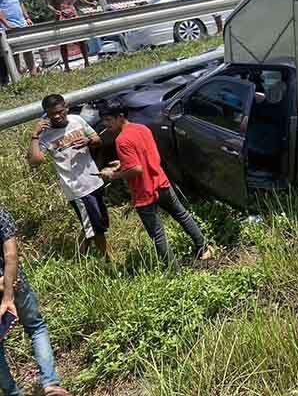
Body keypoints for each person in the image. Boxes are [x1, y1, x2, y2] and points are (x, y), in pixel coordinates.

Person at [98, 101, 212, 268]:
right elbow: (146, 156)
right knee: (182, 215)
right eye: (104, 120)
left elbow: (136, 169)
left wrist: (113, 175)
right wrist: (123, 163)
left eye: (108, 120)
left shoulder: (121, 140)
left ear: (120, 117)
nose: (105, 124)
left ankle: (174, 271)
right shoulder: (142, 128)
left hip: (144, 193)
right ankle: (204, 248)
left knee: (158, 235)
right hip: (161, 182)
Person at [27, 94, 109, 259]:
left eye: (60, 111)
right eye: (52, 114)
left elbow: (97, 140)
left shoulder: (77, 120)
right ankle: (106, 260)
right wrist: (35, 135)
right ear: (46, 114)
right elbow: (35, 161)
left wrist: (88, 141)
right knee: (96, 227)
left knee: (99, 223)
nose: (57, 116)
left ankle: (81, 253)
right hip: (77, 188)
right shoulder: (46, 135)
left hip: (94, 180)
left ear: (66, 107)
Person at [0, 208, 70, 395]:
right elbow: (11, 255)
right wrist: (8, 294)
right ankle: (51, 383)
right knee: (36, 328)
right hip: (16, 284)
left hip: (8, 285)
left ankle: (13, 393)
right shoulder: (1, 213)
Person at [43, 0, 93, 72]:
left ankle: (87, 62)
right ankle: (66, 67)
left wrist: (90, 3)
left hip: (72, 13)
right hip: (60, 15)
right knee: (63, 42)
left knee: (81, 39)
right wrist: (54, 11)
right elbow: (48, 4)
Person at [0, 0, 38, 77]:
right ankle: (18, 77)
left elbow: (20, 2)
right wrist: (7, 24)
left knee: (28, 49)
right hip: (7, 25)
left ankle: (34, 74)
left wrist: (27, 18)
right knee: (14, 52)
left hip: (21, 22)